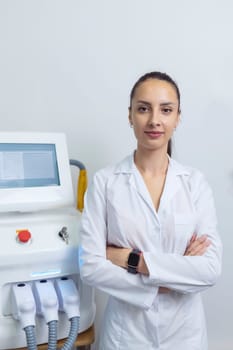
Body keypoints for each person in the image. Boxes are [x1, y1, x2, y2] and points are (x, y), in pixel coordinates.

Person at [79, 71, 222, 350]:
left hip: (185, 335)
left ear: (178, 117)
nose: (155, 119)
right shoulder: (105, 183)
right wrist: (166, 281)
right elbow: (90, 266)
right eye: (143, 109)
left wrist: (129, 259)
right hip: (126, 336)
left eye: (166, 110)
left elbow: (209, 269)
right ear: (130, 115)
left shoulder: (195, 184)